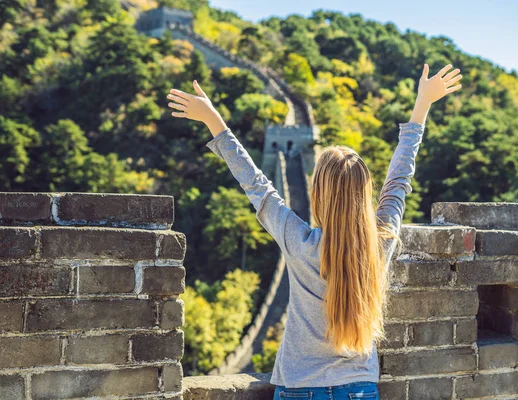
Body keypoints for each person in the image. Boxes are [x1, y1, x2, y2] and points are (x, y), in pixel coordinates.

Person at [167, 63, 462, 400]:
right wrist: (422, 104)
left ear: (317, 194)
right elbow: (398, 181)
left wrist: (214, 121)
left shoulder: (301, 242)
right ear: (365, 193)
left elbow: (258, 187)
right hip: (360, 390)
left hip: (299, 388)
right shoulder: (381, 243)